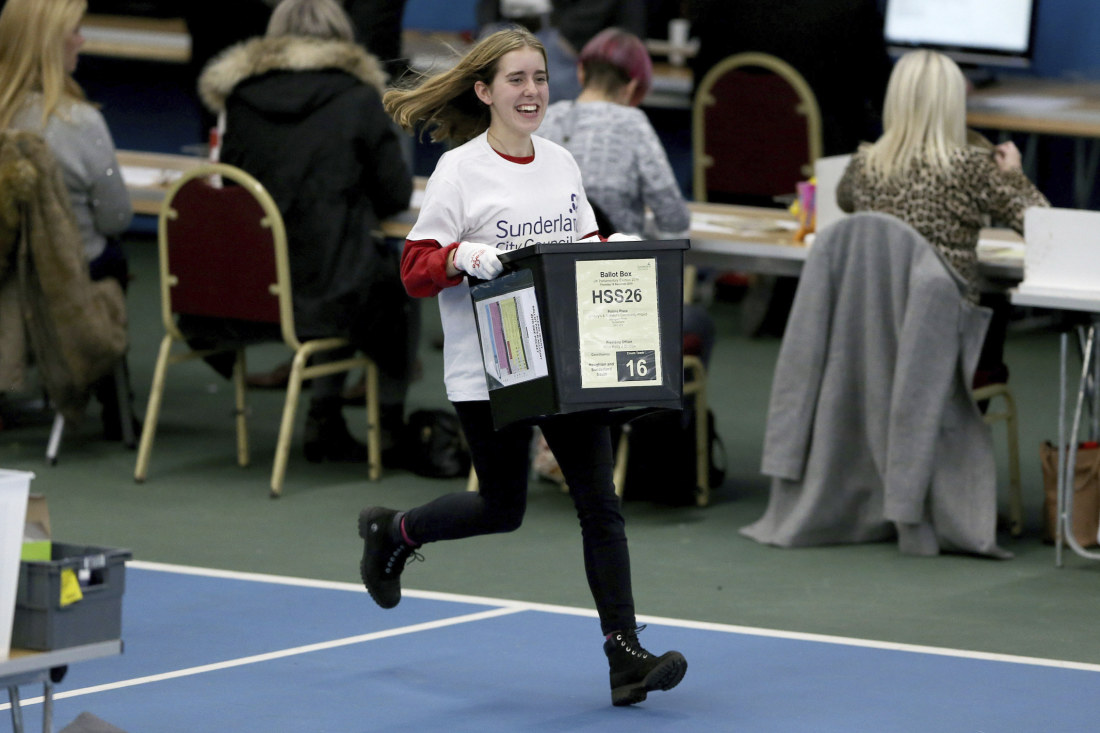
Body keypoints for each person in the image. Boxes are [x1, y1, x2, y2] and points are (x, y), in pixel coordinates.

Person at [363, 27, 687, 707]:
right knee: (501, 507)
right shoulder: (460, 170)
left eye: (539, 77)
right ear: (484, 91)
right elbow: (414, 269)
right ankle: (393, 531)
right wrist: (460, 257)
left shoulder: (561, 162)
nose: (532, 90)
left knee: (600, 504)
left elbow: (578, 243)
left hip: (566, 362)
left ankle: (624, 655)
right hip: (493, 368)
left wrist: (612, 246)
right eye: (516, 79)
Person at [197, 0, 416, 463]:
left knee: (338, 262)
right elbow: (395, 193)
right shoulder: (358, 98)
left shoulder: (241, 97)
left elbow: (231, 188)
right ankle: (386, 428)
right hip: (329, 289)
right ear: (342, 36)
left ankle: (326, 419)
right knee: (391, 282)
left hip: (249, 292)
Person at [836, 50, 1050, 383]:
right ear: (953, 103)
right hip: (943, 344)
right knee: (995, 308)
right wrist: (1013, 176)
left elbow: (844, 201)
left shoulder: (863, 165)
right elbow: (1044, 230)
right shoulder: (972, 167)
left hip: (872, 339)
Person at [0, 0, 136, 440]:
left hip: (5, 270)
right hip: (62, 278)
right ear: (47, 42)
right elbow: (116, 217)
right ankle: (116, 403)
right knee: (114, 255)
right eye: (74, 31)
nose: (82, 40)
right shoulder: (81, 123)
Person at [688, 0, 891, 157]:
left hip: (729, 174)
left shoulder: (718, 8)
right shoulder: (853, 9)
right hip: (820, 181)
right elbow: (885, 98)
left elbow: (701, 94)